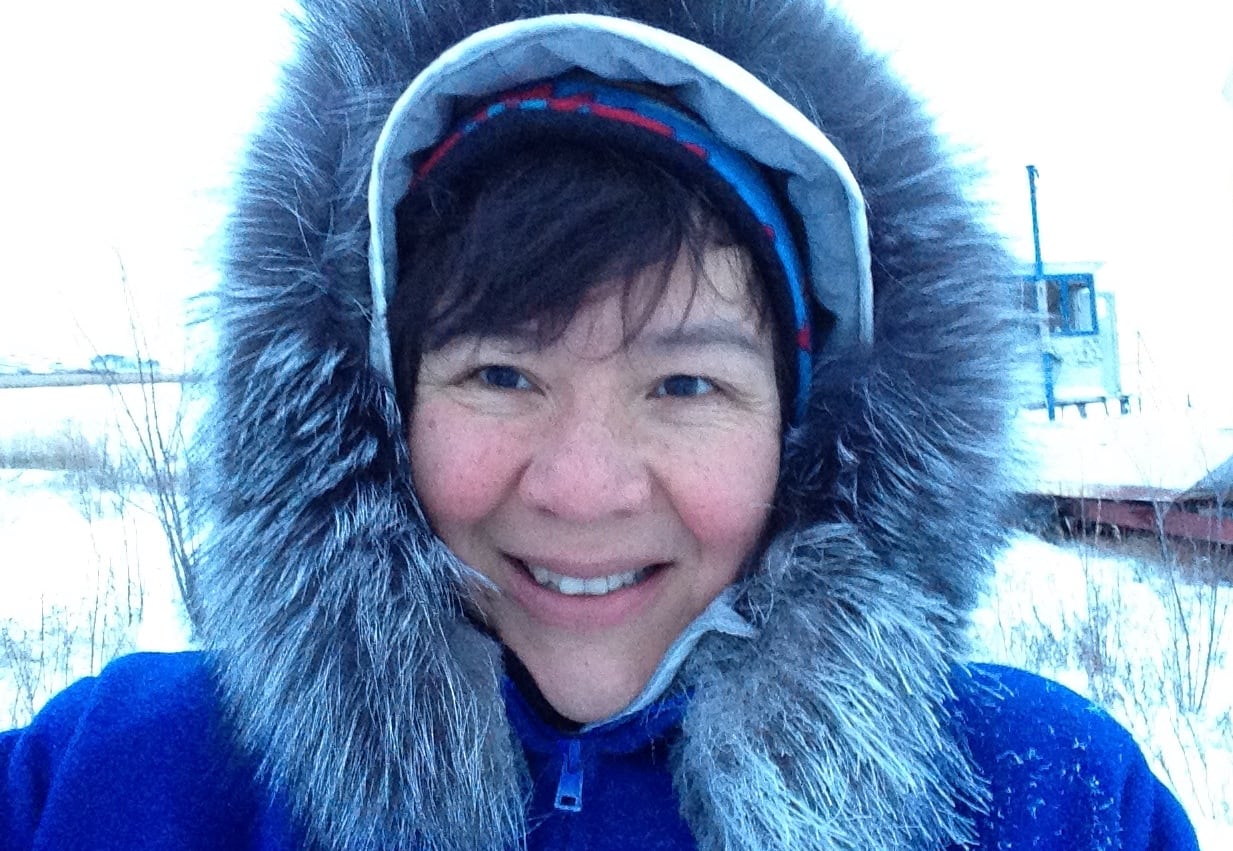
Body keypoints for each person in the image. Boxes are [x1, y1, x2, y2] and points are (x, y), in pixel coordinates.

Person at [0, 1, 1199, 849]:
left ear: (810, 434)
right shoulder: (113, 781)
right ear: (373, 411)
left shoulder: (1055, 805)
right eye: (500, 373)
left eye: (684, 386)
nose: (581, 489)